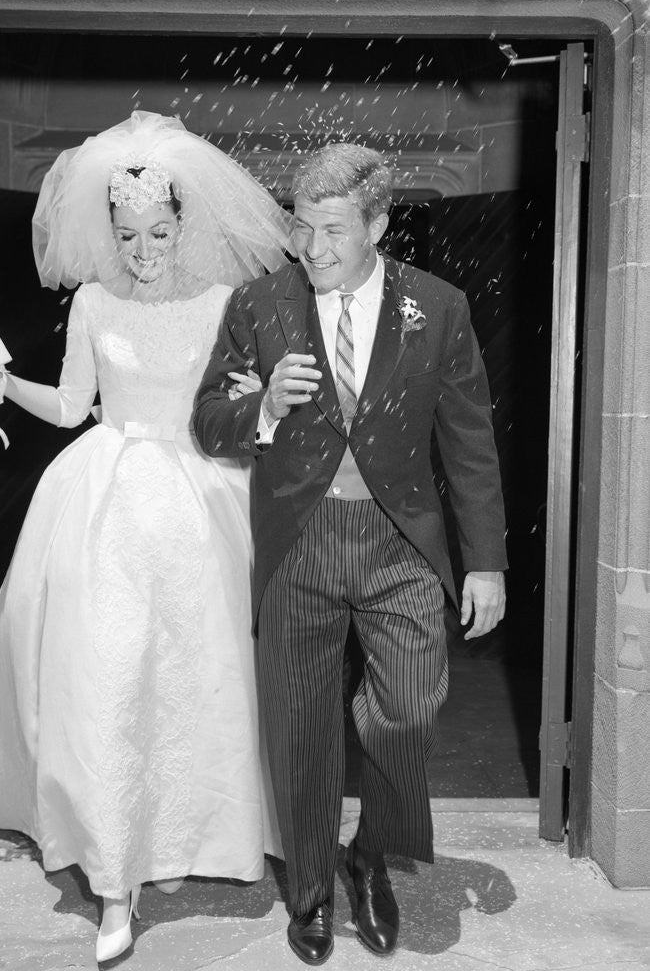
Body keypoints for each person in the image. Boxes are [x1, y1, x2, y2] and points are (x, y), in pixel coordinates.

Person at [0, 112, 290, 964]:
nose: (144, 251)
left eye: (160, 232)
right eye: (128, 234)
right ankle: (114, 880)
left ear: (186, 225)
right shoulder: (93, 303)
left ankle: (179, 838)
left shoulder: (220, 304)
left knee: (194, 682)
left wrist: (261, 404)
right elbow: (70, 407)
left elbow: (234, 410)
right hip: (103, 503)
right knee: (106, 678)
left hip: (200, 501)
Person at [193, 142, 507, 965]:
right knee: (299, 730)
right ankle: (311, 893)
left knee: (408, 708)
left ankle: (371, 858)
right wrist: (262, 405)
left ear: (378, 221)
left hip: (400, 544)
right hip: (298, 545)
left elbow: (469, 439)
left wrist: (485, 563)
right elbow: (207, 424)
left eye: (333, 229)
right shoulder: (257, 305)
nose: (313, 248)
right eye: (302, 227)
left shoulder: (438, 308)